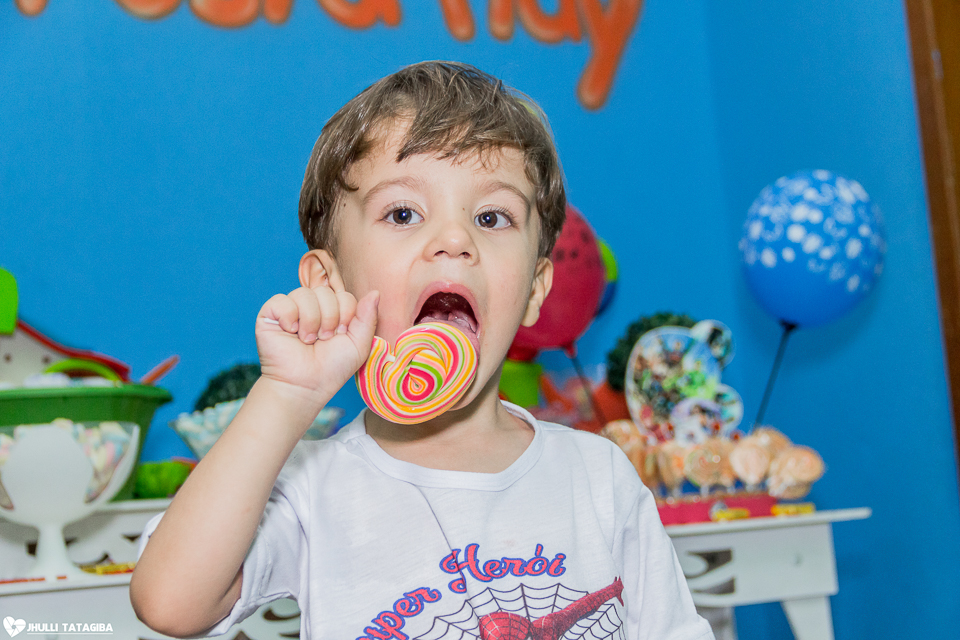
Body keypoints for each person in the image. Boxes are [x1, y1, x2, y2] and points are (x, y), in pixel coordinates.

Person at [130, 61, 713, 640]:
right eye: (403, 213)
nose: (455, 240)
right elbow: (169, 603)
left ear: (535, 290)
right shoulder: (314, 485)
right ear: (330, 283)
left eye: (491, 217)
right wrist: (286, 394)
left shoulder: (597, 477)